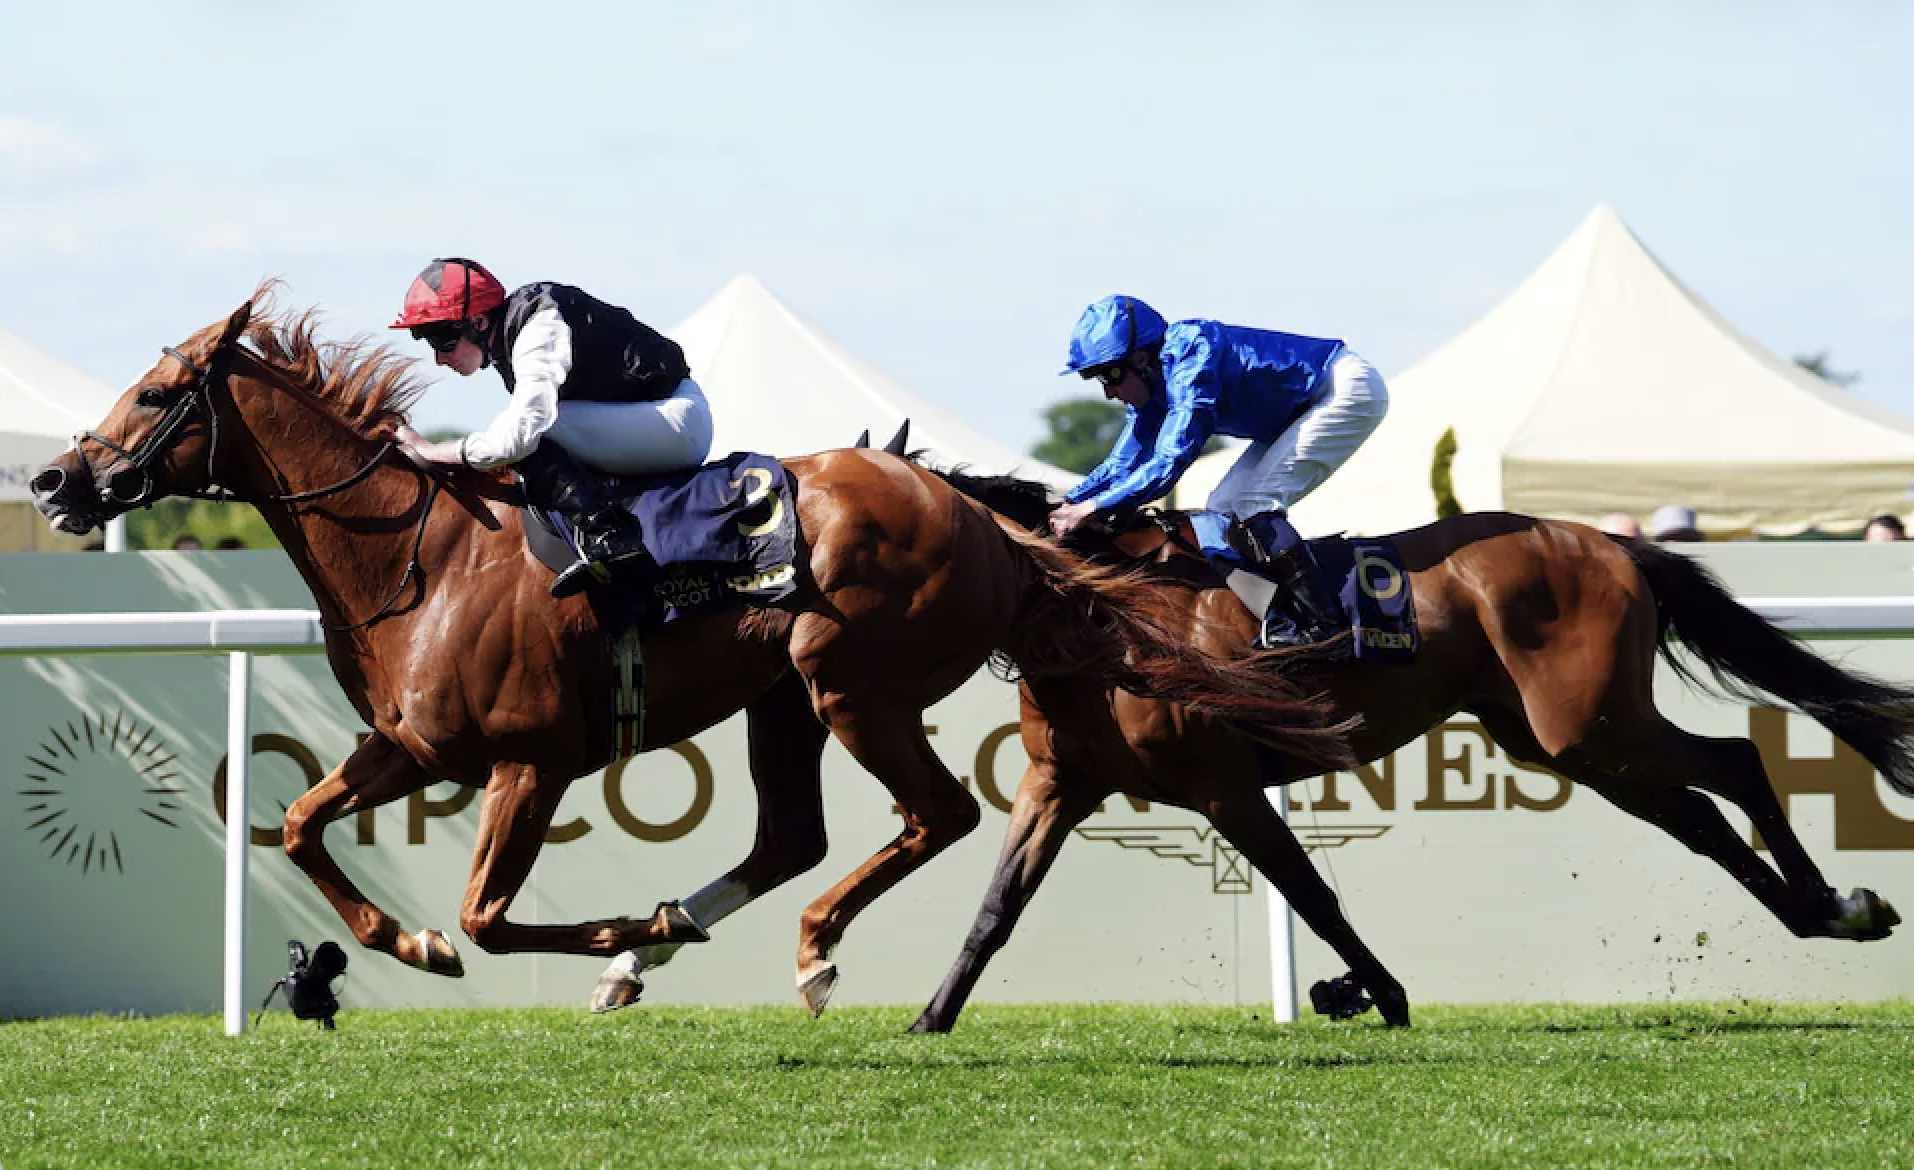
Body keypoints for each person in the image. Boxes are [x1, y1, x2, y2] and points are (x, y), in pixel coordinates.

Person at [1048, 295, 1388, 646]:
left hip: (1342, 389)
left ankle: (1326, 627)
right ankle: (1279, 618)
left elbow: (1168, 462)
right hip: (1294, 412)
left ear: (1141, 358)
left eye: (1111, 375)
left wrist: (1094, 507)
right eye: (1099, 379)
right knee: (1220, 514)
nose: (1108, 392)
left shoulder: (1193, 358)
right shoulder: (1152, 386)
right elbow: (1120, 464)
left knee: (1255, 504)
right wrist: (1069, 502)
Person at [389, 258, 713, 597]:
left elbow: (517, 440)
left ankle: (611, 538)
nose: (439, 359)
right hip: (651, 417)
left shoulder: (539, 326)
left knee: (531, 430)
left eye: (442, 340)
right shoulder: (511, 337)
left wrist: (431, 450)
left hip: (677, 418)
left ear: (479, 322)